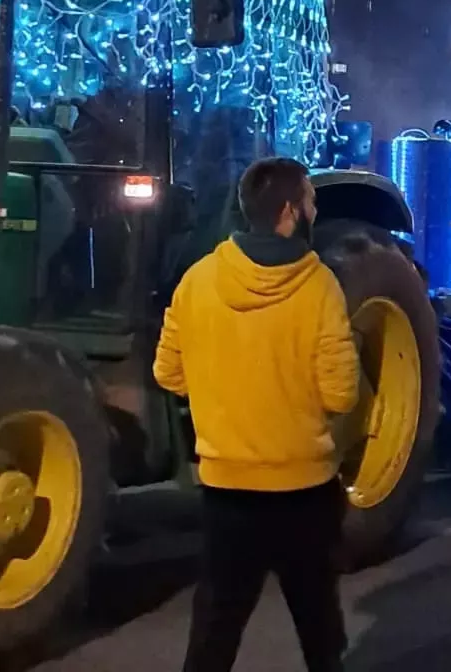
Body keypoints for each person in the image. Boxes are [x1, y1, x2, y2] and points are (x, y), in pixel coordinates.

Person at [153, 157, 359, 672]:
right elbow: (340, 395)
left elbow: (167, 374)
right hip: (304, 493)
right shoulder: (320, 288)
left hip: (226, 493)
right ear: (289, 213)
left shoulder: (198, 280)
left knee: (215, 629)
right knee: (318, 627)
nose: (315, 208)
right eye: (311, 200)